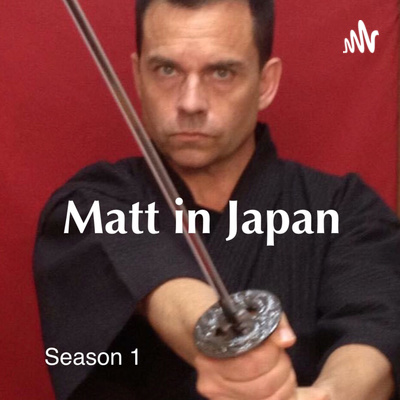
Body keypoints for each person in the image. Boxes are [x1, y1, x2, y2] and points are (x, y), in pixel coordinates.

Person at [34, 0, 400, 399]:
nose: (190, 102)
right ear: (137, 76)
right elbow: (151, 272)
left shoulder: (345, 209)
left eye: (221, 72)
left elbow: (377, 329)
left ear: (265, 83)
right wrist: (223, 344)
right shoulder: (90, 203)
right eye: (167, 70)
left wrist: (331, 394)